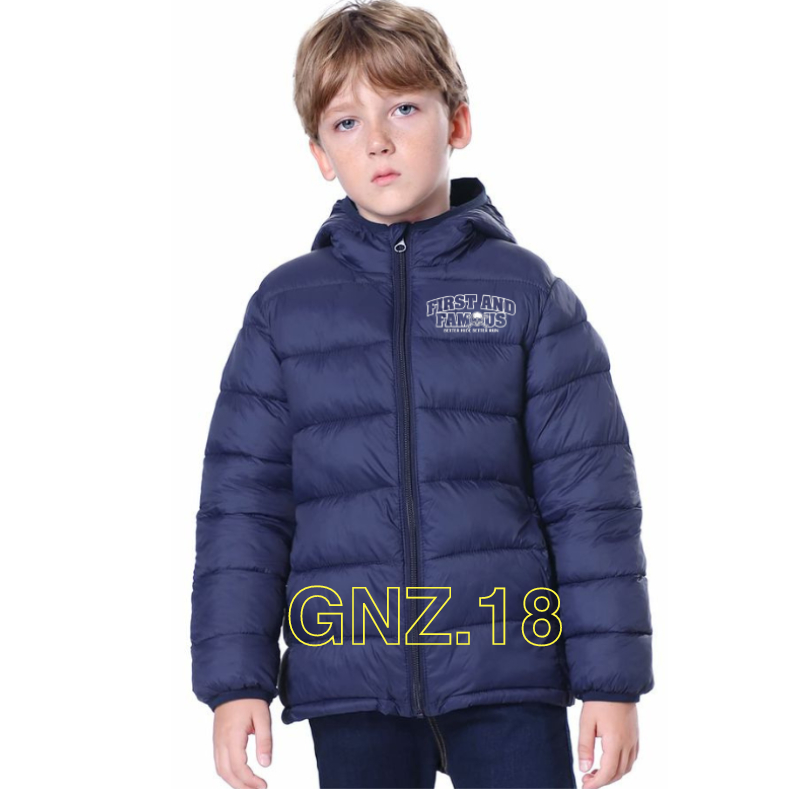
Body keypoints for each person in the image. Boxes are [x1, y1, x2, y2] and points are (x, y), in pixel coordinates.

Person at [190, 1, 654, 787]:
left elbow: (590, 500)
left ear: (457, 121)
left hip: (507, 669)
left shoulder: (526, 294)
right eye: (345, 122)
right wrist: (235, 682)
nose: (376, 139)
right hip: (351, 674)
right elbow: (244, 508)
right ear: (319, 153)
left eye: (402, 107)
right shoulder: (284, 308)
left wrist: (611, 683)